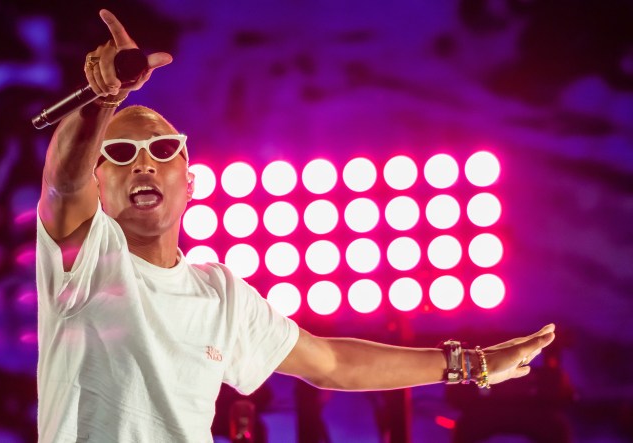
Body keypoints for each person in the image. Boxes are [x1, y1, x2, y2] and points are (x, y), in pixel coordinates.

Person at [35, 9, 556, 442]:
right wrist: (102, 100)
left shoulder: (219, 293)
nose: (143, 164)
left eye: (162, 149)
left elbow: (332, 363)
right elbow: (62, 182)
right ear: (99, 183)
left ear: (189, 182)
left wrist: (473, 363)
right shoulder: (84, 261)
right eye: (121, 153)